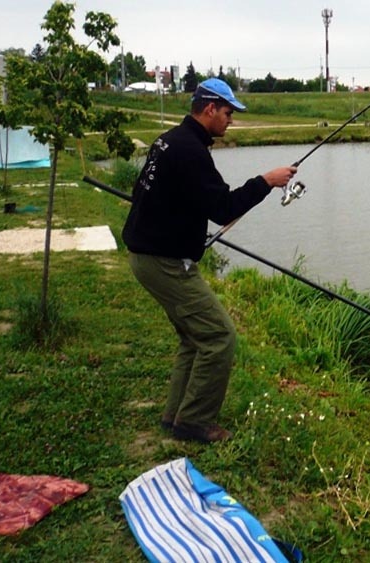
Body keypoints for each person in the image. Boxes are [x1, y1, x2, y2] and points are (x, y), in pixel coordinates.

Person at [122, 78, 297, 443]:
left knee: (193, 339)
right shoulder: (190, 150)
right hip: (164, 262)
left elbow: (158, 196)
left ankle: (175, 416)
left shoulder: (170, 140)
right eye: (229, 112)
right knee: (219, 336)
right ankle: (196, 422)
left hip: (149, 255)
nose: (231, 120)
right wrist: (267, 181)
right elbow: (223, 208)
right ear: (209, 108)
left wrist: (184, 225)